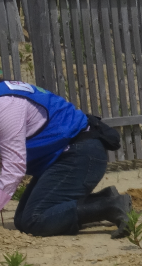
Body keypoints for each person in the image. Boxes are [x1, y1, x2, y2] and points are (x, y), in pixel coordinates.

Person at [0, 80, 129, 237]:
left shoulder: (6, 105)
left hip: (80, 154)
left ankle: (110, 206)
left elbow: (14, 167)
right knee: (21, 220)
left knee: (35, 219)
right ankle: (102, 199)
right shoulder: (6, 94)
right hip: (63, 156)